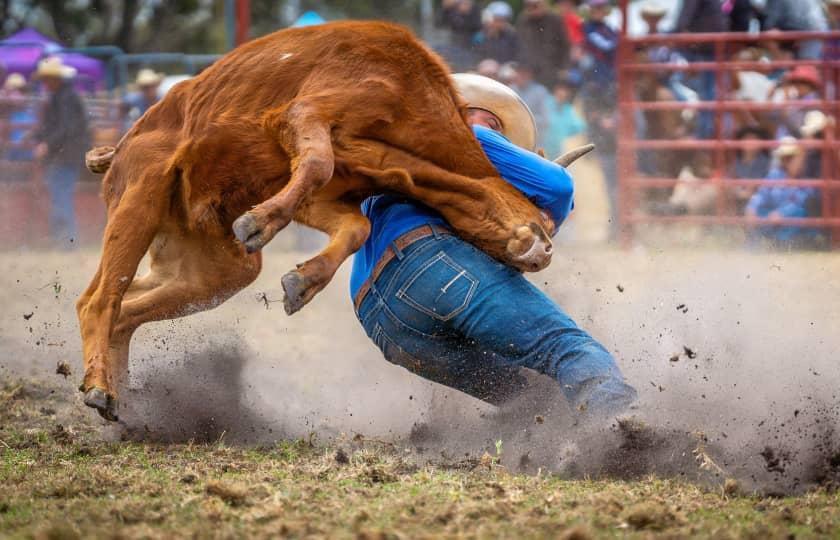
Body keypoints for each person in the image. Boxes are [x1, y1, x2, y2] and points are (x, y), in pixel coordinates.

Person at [351, 74, 637, 418]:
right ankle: (619, 426)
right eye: (498, 130)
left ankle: (571, 439)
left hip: (380, 321)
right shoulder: (464, 132)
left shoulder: (394, 153)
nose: (498, 139)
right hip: (430, 262)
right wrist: (545, 220)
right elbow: (556, 186)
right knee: (567, 348)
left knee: (532, 396)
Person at [32, 57, 90, 248]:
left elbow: (66, 128)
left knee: (61, 196)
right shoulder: (62, 96)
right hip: (65, 155)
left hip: (66, 156)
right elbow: (59, 126)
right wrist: (39, 137)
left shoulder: (65, 98)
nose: (45, 83)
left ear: (55, 79)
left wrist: (46, 144)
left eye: (47, 79)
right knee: (60, 196)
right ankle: (65, 240)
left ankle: (67, 241)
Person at [745, 137, 821, 245]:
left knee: (800, 213)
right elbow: (761, 195)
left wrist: (782, 213)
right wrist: (752, 208)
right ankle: (754, 246)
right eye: (784, 158)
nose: (786, 161)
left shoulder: (807, 180)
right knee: (756, 213)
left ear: (801, 158)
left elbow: (801, 202)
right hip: (773, 217)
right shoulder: (775, 175)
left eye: (791, 157)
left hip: (792, 224)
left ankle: (781, 244)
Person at [516, 0, 571, 87]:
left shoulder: (555, 20)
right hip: (529, 70)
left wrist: (564, 67)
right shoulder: (523, 21)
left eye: (535, 5)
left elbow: (565, 46)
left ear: (543, 4)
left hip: (552, 68)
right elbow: (518, 46)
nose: (532, 9)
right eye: (529, 6)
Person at [760, 0, 828, 59]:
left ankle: (784, 65)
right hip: (817, 31)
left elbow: (770, 23)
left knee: (769, 36)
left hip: (804, 33)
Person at [508, 63, 552, 148]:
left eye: (524, 73)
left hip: (534, 141)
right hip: (512, 140)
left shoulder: (540, 92)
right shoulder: (510, 90)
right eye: (519, 72)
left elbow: (546, 120)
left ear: (530, 75)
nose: (520, 76)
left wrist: (525, 119)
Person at [730, 125, 772, 212]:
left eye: (754, 139)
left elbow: (762, 189)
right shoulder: (735, 163)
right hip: (736, 202)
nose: (750, 142)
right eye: (747, 138)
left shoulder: (767, 163)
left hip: (758, 205)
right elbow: (729, 185)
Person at [544, 74, 586, 157]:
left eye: (566, 90)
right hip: (542, 147)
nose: (563, 93)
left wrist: (565, 136)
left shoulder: (568, 109)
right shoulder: (545, 102)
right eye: (561, 89)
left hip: (558, 150)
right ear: (555, 89)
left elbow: (580, 127)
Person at [581, 0, 619, 88]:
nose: (600, 11)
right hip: (596, 66)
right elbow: (604, 45)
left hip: (609, 64)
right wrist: (617, 44)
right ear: (591, 11)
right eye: (597, 9)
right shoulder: (589, 27)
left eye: (601, 8)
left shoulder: (608, 27)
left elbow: (617, 39)